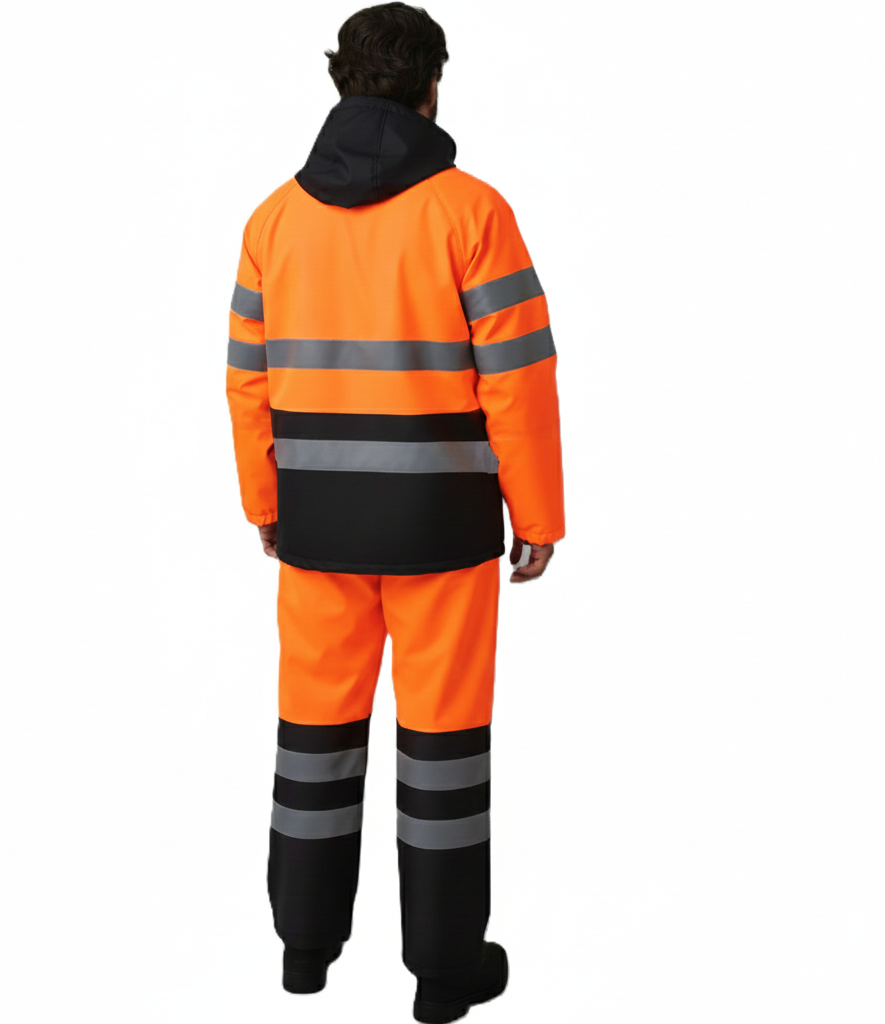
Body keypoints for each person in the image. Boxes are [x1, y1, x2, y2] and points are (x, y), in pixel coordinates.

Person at [225, 4, 565, 1020]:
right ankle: (444, 969)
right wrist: (538, 512)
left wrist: (265, 501)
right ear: (432, 87)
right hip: (442, 530)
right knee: (442, 748)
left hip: (318, 531)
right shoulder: (474, 212)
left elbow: (246, 381)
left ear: (341, 82)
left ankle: (304, 948)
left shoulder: (272, 221)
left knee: (313, 735)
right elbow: (519, 379)